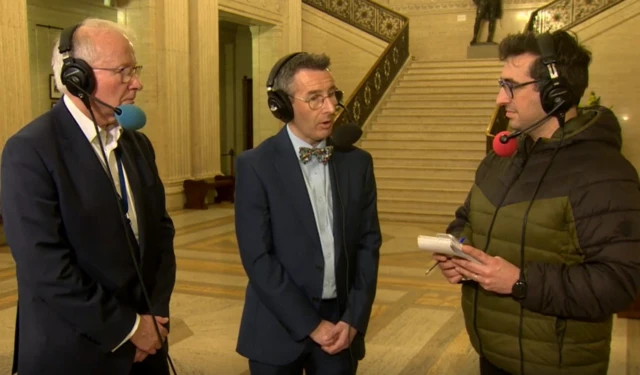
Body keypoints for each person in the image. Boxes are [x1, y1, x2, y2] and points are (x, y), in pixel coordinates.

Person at [434, 30, 640, 375]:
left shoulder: (604, 173)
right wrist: (459, 252)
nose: (500, 98)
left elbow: (620, 282)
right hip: (493, 353)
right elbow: (465, 219)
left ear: (554, 92)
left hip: (557, 363)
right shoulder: (500, 160)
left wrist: (520, 282)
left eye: (511, 86)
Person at [0, 18, 176, 375]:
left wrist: (154, 316)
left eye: (135, 70)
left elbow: (161, 234)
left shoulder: (138, 145)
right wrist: (128, 329)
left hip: (149, 346)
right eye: (123, 72)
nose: (136, 84)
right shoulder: (29, 151)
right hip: (75, 352)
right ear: (76, 78)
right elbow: (45, 266)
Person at [234, 52, 382, 374]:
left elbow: (368, 245)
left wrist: (354, 318)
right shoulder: (255, 165)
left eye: (332, 95)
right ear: (283, 106)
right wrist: (312, 325)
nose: (330, 108)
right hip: (276, 329)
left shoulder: (357, 163)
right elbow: (258, 258)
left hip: (341, 328)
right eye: (315, 98)